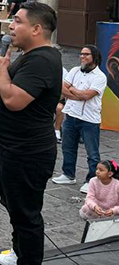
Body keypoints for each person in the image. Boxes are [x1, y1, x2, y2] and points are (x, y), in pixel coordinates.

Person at [0, 1, 62, 265]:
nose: (11, 26)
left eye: (17, 21)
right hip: (12, 148)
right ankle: (21, 254)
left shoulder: (42, 59)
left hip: (28, 152)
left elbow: (14, 100)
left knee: (27, 213)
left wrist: (1, 69)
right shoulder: (32, 56)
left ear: (37, 28)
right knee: (14, 205)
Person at [52, 45, 107, 186]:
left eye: (86, 54)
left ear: (94, 57)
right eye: (81, 54)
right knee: (67, 148)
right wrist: (78, 95)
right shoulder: (75, 70)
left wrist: (73, 90)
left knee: (92, 153)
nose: (82, 56)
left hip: (89, 120)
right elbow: (62, 88)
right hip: (70, 115)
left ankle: (92, 180)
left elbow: (87, 95)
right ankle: (68, 175)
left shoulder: (100, 77)